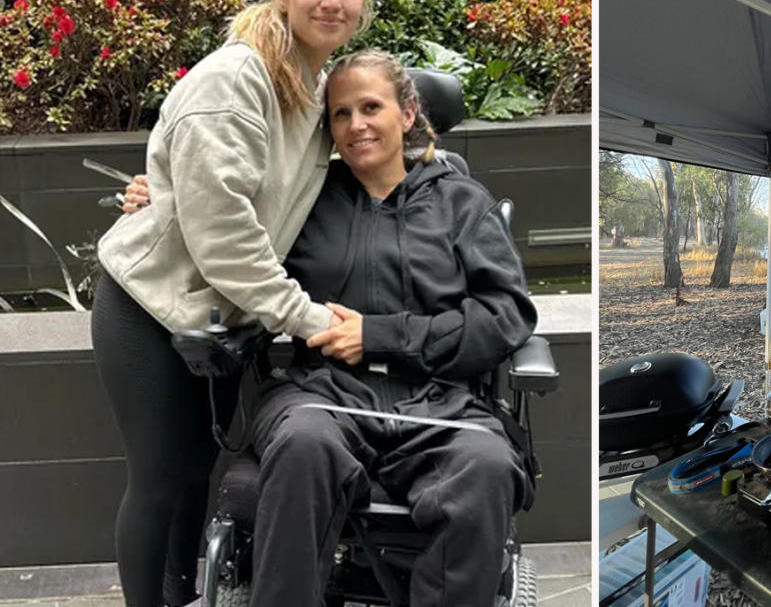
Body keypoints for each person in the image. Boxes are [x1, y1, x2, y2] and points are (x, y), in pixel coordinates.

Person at [124, 50, 537, 606]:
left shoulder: (463, 204)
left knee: (485, 467)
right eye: (341, 114)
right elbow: (219, 221)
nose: (356, 125)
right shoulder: (303, 199)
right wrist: (167, 197)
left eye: (371, 107)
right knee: (302, 446)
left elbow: (505, 318)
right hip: (320, 395)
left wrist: (380, 335)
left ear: (408, 114)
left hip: (440, 402)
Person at [91, 0, 371, 605]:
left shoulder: (314, 89)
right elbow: (225, 238)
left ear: (362, 7)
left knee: (196, 477)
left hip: (220, 318)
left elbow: (381, 136)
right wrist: (309, 318)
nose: (332, 0)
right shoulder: (239, 77)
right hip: (150, 310)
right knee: (159, 480)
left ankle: (185, 596)